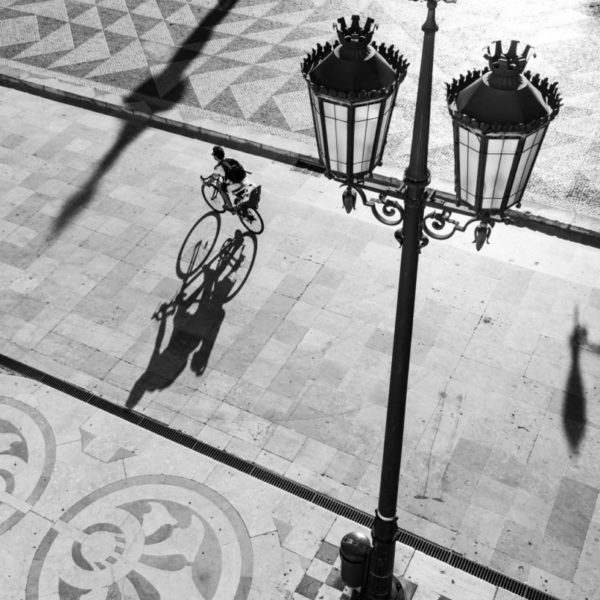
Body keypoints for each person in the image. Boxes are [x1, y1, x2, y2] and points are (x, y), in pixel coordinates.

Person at [211, 146, 246, 210]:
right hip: (243, 178)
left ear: (215, 157)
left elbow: (213, 178)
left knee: (220, 187)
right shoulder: (229, 159)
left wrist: (206, 183)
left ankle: (230, 206)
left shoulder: (218, 167)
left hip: (236, 184)